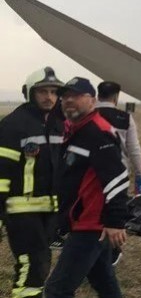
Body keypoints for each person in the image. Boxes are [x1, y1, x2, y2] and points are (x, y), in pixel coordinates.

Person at [44, 77, 130, 298]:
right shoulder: (76, 130)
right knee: (103, 280)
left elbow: (117, 176)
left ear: (92, 100)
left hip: (90, 224)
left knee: (57, 290)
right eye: (65, 97)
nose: (68, 100)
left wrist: (115, 221)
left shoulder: (97, 132)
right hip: (85, 222)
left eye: (76, 96)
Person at [0, 67, 65, 298]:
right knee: (31, 266)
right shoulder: (13, 125)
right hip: (21, 211)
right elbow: (1, 173)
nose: (49, 97)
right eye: (43, 92)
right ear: (30, 93)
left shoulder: (59, 125)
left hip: (50, 211)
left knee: (42, 262)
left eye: (54, 92)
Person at [96, 81, 141, 194]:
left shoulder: (88, 116)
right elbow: (134, 149)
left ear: (98, 96)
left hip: (92, 173)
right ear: (116, 97)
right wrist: (140, 173)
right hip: (119, 174)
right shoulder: (126, 118)